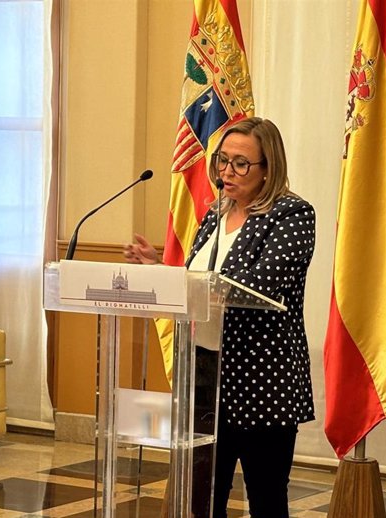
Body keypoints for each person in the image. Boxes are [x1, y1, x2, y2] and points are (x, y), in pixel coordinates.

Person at [123, 117, 316, 518]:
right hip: (205, 377)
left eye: (241, 163)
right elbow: (201, 281)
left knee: (266, 498)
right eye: (222, 161)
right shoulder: (216, 212)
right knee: (203, 498)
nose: (227, 171)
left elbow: (261, 284)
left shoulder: (293, 215)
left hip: (262, 380)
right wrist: (162, 268)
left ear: (268, 169)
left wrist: (190, 280)